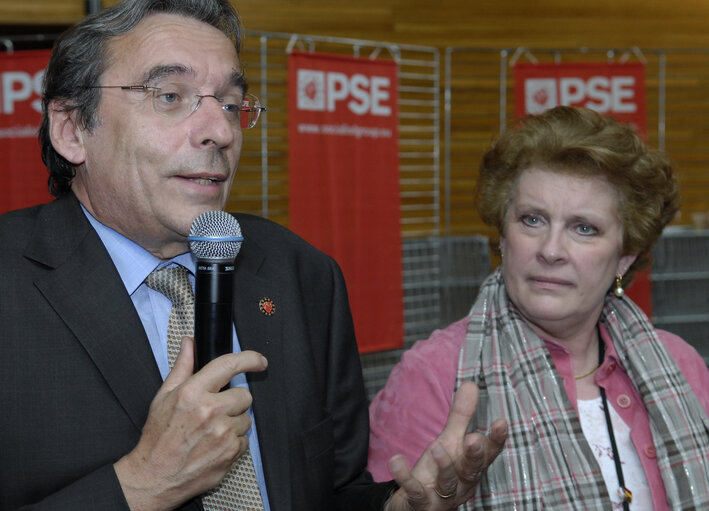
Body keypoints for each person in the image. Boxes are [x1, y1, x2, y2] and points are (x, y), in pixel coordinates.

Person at [0, 0, 507, 510]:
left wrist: (397, 507)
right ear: (72, 130)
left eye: (229, 102)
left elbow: (333, 491)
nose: (220, 131)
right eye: (170, 96)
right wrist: (142, 484)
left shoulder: (301, 274)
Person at [368, 106, 709, 510]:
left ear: (625, 257)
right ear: (502, 235)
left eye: (585, 228)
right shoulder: (432, 376)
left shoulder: (679, 363)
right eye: (532, 220)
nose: (550, 250)